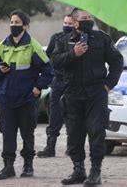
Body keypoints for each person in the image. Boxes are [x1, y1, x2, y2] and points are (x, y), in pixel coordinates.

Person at [51, 9, 124, 186]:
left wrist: (108, 85)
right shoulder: (63, 41)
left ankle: (95, 172)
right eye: (84, 19)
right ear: (75, 22)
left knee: (96, 132)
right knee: (74, 134)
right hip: (72, 93)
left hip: (96, 93)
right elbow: (54, 62)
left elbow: (117, 61)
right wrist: (73, 54)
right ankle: (78, 170)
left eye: (90, 18)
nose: (88, 21)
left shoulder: (102, 38)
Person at [0, 9, 53, 180]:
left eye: (17, 23)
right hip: (6, 98)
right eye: (11, 22)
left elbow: (48, 71)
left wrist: (38, 87)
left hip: (26, 99)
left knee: (27, 133)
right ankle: (8, 166)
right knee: (8, 134)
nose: (13, 25)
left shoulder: (33, 46)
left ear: (25, 26)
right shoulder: (3, 45)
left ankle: (28, 166)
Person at [37, 14, 74, 158]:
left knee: (72, 116)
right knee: (55, 115)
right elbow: (47, 58)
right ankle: (50, 146)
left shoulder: (79, 39)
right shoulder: (56, 38)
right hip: (58, 81)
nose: (67, 25)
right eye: (65, 22)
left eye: (70, 23)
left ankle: (72, 147)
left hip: (73, 83)